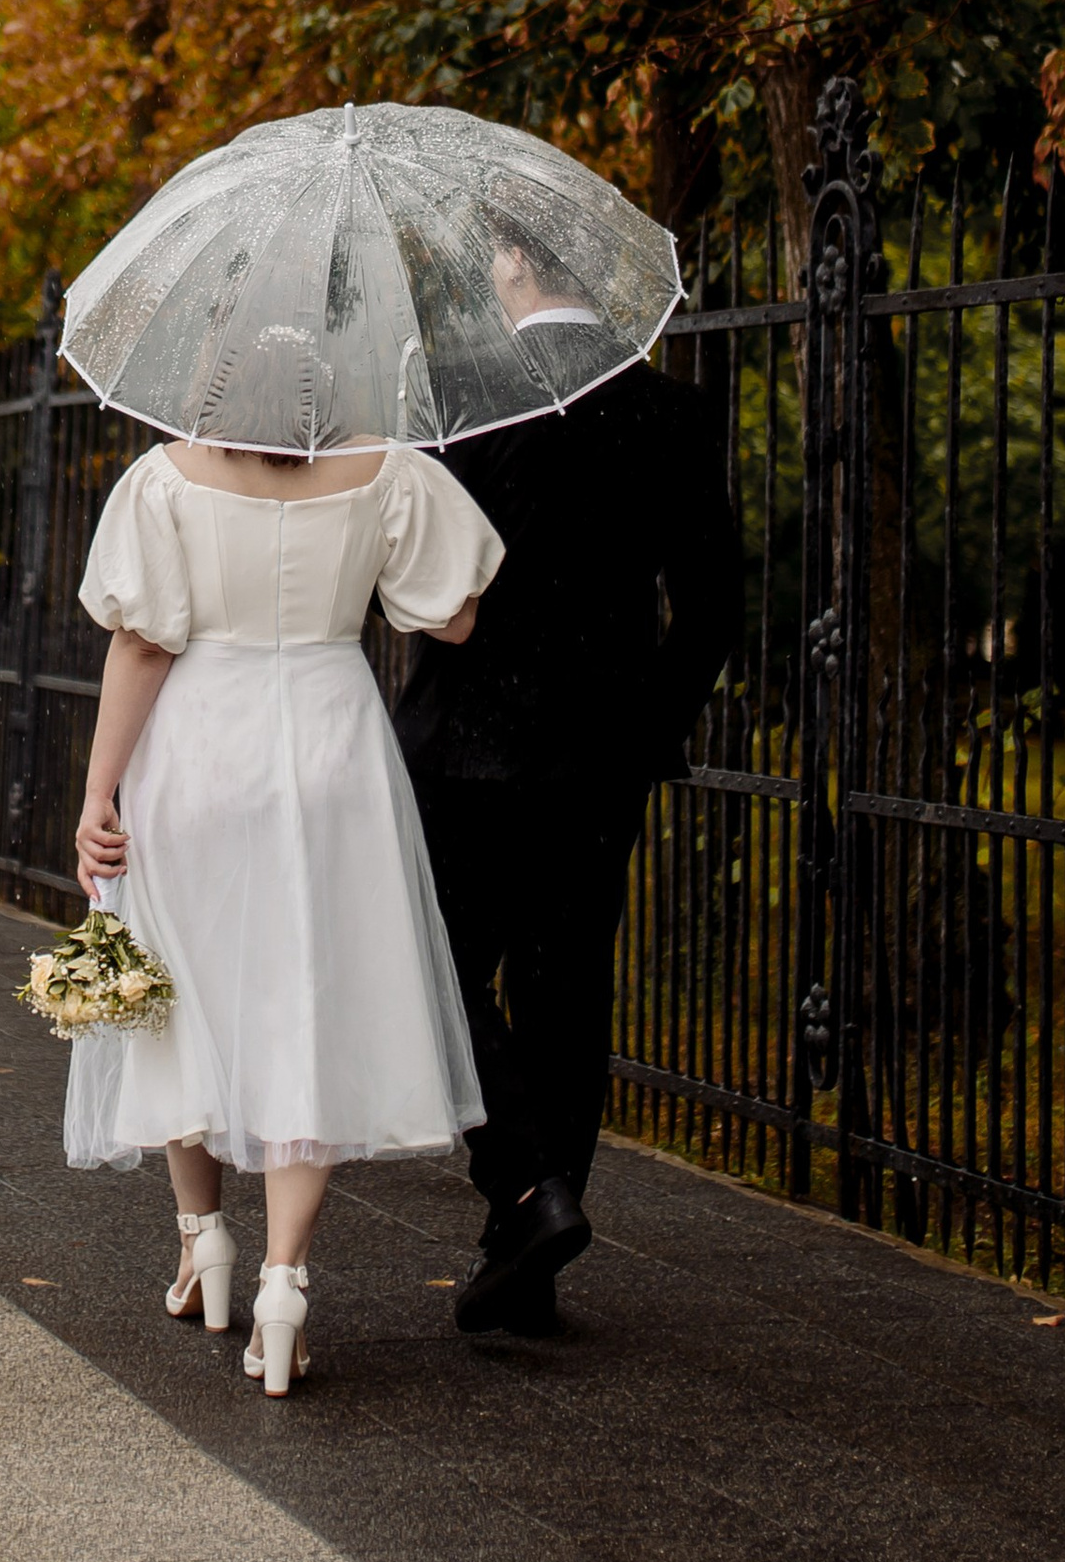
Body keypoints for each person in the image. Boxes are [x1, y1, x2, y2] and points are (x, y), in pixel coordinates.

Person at [68, 429, 503, 1393]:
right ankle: (283, 1286)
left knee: (182, 993)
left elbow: (141, 641)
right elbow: (456, 619)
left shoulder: (163, 479)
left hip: (199, 748)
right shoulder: (387, 470)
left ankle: (202, 1245)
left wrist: (100, 794)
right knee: (303, 1001)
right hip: (330, 748)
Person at [398, 224, 742, 1340]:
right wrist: (648, 725)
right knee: (565, 987)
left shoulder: (466, 397)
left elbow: (428, 578)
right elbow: (713, 611)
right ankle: (532, 1257)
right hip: (602, 758)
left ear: (514, 263)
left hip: (466, 748)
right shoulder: (674, 411)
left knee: (437, 969)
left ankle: (524, 1189)